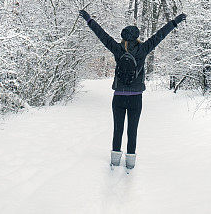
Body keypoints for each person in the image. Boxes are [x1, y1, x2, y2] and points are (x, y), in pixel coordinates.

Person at [79, 9, 186, 171]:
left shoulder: (117, 49)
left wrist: (89, 20)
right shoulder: (143, 49)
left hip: (119, 96)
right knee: (132, 130)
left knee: (118, 129)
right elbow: (160, 35)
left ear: (123, 37)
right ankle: (130, 163)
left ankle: (115, 161)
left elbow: (102, 35)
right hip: (136, 97)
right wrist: (174, 22)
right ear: (136, 37)